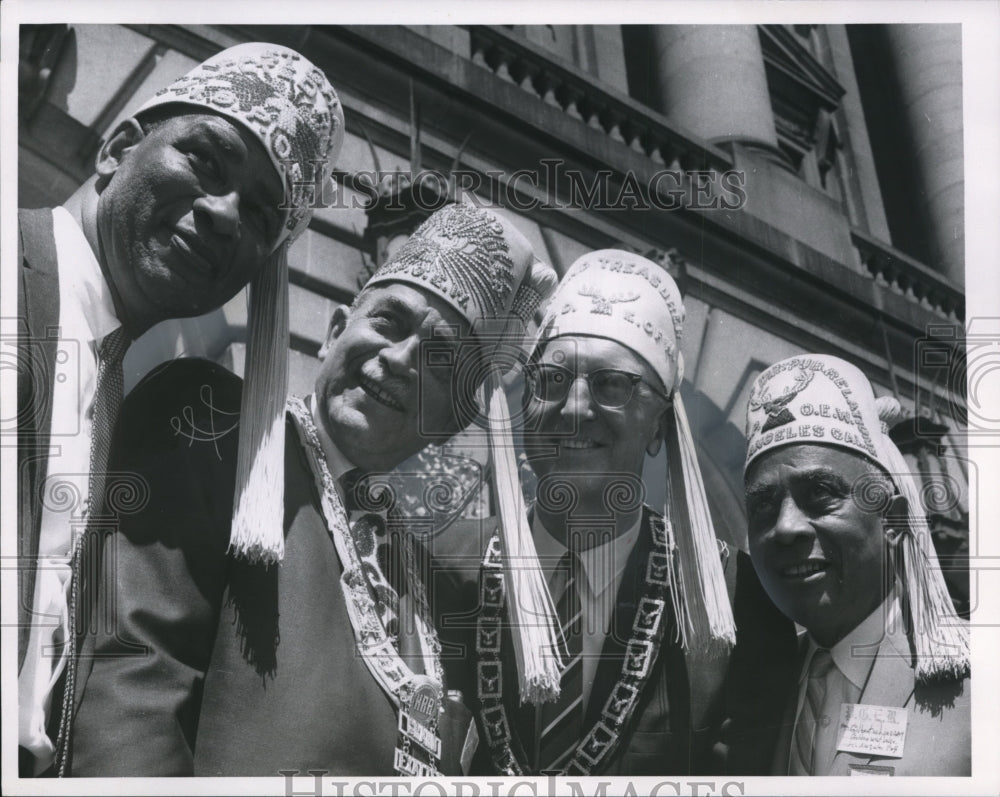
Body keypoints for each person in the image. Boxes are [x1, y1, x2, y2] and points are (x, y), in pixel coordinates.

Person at [68, 202, 560, 777]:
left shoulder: (425, 579)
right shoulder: (217, 430)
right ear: (332, 332)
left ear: (451, 420)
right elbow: (130, 690)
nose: (400, 360)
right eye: (388, 322)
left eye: (441, 358)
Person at [15, 41, 343, 776]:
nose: (227, 214)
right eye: (206, 160)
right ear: (119, 147)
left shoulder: (112, 389)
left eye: (261, 213)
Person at [427, 250, 741, 776]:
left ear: (660, 428)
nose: (573, 409)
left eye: (612, 384)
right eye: (550, 380)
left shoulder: (728, 600)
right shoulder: (439, 566)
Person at [741, 354, 970, 776]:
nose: (786, 527)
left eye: (821, 492)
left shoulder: (976, 682)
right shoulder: (750, 688)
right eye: (764, 504)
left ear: (895, 521)